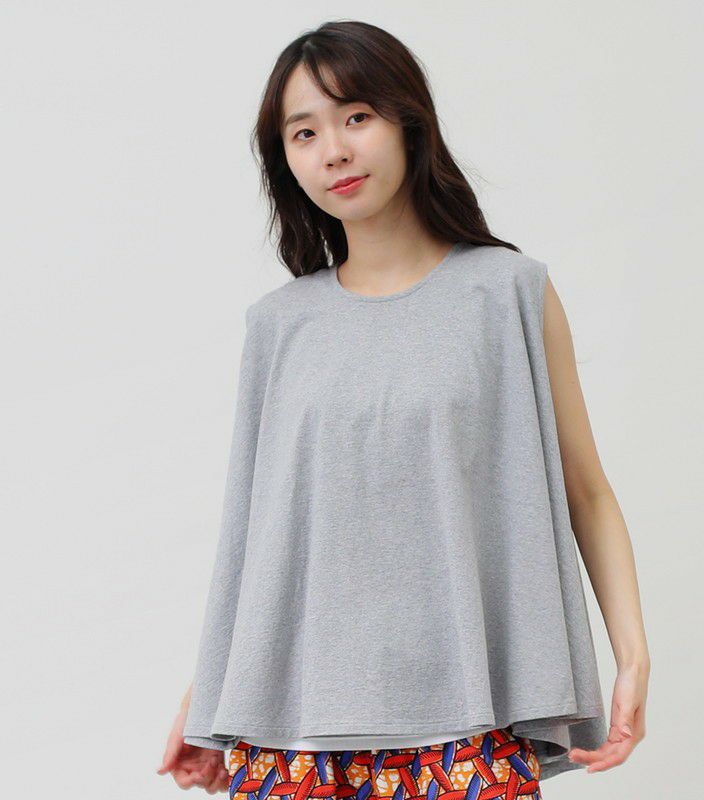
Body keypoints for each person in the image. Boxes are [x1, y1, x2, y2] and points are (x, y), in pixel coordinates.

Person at [157, 19, 649, 796]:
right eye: (304, 133)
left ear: (409, 123)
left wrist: (633, 657)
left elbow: (585, 490)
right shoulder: (278, 327)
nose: (334, 151)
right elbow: (262, 534)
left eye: (356, 116)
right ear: (285, 160)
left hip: (469, 723)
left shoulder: (508, 295)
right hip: (294, 740)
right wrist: (212, 694)